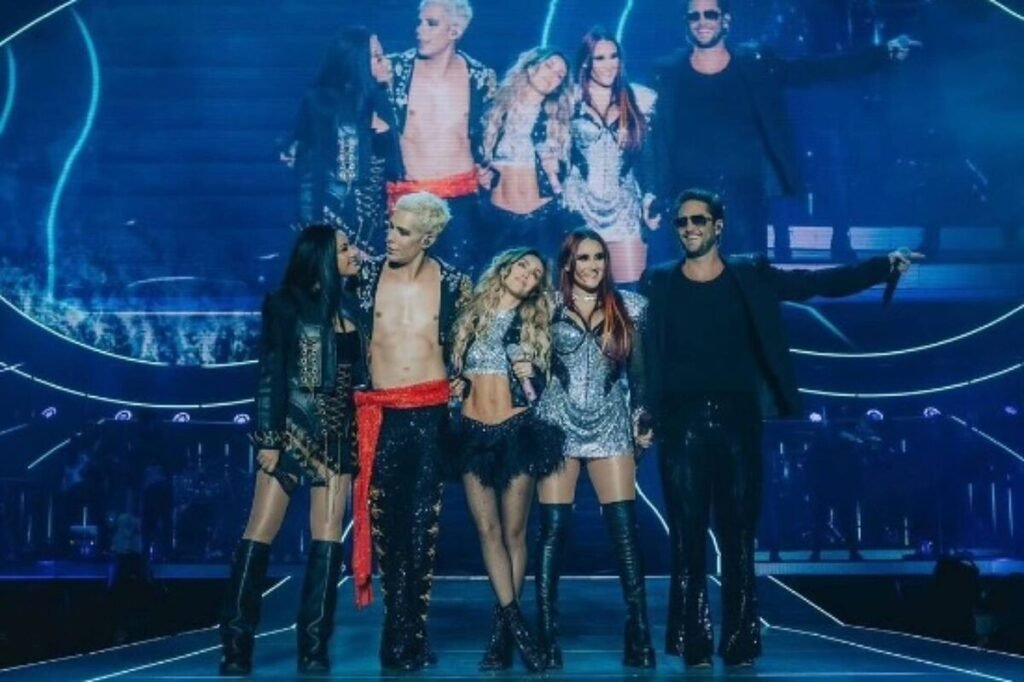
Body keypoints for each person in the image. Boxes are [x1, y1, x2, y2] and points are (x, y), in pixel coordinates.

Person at [640, 188, 922, 668]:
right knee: (686, 537)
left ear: (718, 226)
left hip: (738, 419)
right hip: (681, 422)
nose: (689, 228)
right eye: (682, 222)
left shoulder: (750, 273)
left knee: (738, 535)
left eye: (698, 220)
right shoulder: (660, 281)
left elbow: (815, 282)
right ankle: (692, 643)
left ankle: (741, 641)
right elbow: (635, 339)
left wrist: (881, 267)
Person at [648, 0, 920, 258]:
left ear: (725, 20)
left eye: (710, 14)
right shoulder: (668, 73)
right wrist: (654, 192)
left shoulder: (754, 64)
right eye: (694, 16)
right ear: (686, 22)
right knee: (691, 280)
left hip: (744, 195)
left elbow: (815, 70)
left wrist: (882, 54)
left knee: (746, 279)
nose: (702, 22)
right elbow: (653, 137)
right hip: (688, 195)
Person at [219, 225, 363, 675]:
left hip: (338, 437)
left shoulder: (354, 306)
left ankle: (314, 648)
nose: (354, 253)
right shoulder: (285, 304)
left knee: (328, 539)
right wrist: (268, 438)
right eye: (344, 248)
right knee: (260, 531)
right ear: (321, 256)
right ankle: (235, 646)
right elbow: (271, 373)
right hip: (293, 431)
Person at [349, 191, 472, 671]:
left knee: (421, 528)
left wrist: (465, 382)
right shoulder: (364, 277)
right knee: (388, 527)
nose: (391, 237)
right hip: (380, 414)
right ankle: (395, 631)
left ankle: (412, 636)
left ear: (428, 237)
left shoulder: (454, 284)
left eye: (402, 231)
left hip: (429, 416)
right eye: (391, 227)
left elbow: (469, 345)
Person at [533, 228, 656, 669]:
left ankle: (639, 631)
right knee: (553, 530)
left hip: (610, 421)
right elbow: (531, 364)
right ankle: (547, 633)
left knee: (624, 530)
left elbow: (640, 374)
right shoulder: (546, 306)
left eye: (599, 257)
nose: (592, 266)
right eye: (583, 258)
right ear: (568, 263)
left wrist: (643, 420)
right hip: (557, 421)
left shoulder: (631, 306)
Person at [448, 248, 563, 672]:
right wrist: (454, 385)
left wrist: (533, 373)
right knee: (487, 530)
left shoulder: (533, 323)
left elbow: (546, 383)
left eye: (536, 274)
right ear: (505, 267)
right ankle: (515, 624)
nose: (528, 276)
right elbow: (450, 370)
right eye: (523, 267)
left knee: (515, 532)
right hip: (471, 433)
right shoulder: (467, 315)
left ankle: (501, 636)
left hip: (517, 431)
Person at [384, 0, 497, 271]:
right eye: (419, 22)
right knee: (404, 282)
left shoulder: (480, 77)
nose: (420, 30)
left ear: (455, 31)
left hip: (461, 198)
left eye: (431, 24)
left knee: (458, 281)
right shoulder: (394, 70)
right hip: (408, 196)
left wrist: (490, 169)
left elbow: (492, 135)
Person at [283, 28, 398, 250]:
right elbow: (310, 171)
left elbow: (393, 168)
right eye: (377, 57)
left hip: (375, 226)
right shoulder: (323, 103)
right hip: (333, 220)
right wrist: (312, 230)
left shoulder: (382, 100)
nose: (386, 63)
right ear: (357, 62)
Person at [565, 28, 659, 285]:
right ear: (586, 62)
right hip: (579, 208)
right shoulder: (568, 100)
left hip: (624, 210)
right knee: (584, 291)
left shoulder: (639, 99)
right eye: (600, 58)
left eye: (613, 56)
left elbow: (649, 158)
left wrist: (650, 199)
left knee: (631, 292)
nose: (609, 64)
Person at [479, 47, 573, 258]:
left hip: (541, 218)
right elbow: (475, 153)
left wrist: (558, 167)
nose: (553, 75)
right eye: (549, 66)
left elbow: (569, 170)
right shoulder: (494, 109)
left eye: (560, 75)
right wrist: (481, 173)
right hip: (497, 218)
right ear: (530, 66)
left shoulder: (557, 120)